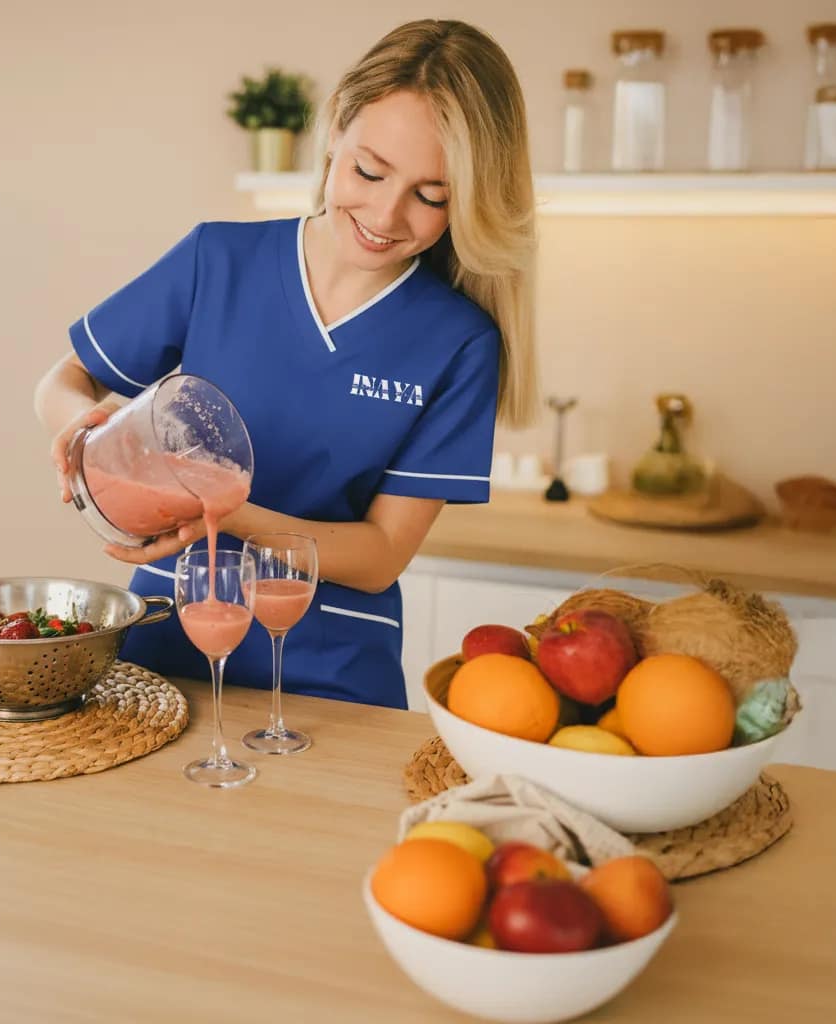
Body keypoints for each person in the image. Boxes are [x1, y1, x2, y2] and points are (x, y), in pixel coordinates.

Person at [34, 19, 538, 709]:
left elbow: (381, 554)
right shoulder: (217, 260)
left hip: (330, 677)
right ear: (333, 131)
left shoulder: (459, 341)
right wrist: (87, 430)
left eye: (431, 196)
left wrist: (221, 510)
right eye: (369, 170)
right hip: (164, 654)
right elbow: (64, 383)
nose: (386, 214)